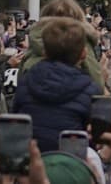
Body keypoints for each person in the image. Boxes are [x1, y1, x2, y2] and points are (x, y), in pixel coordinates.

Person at [13, 16, 97, 153]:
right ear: (83, 53)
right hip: (72, 161)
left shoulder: (25, 82)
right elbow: (97, 138)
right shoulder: (91, 89)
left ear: (44, 52)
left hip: (30, 159)